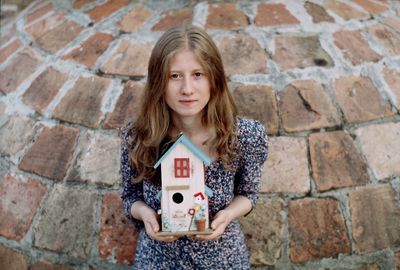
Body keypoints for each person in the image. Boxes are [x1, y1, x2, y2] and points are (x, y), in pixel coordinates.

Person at [120, 25, 269, 269]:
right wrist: (146, 215)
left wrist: (227, 215)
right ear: (159, 82)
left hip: (223, 260)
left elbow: (249, 195)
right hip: (157, 261)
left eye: (198, 74)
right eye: (174, 76)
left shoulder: (245, 136)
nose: (187, 89)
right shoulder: (139, 136)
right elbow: (130, 197)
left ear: (214, 79)